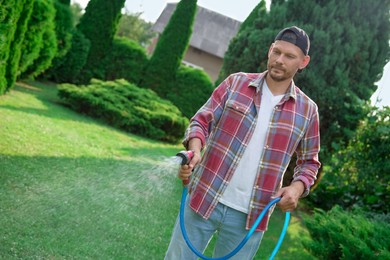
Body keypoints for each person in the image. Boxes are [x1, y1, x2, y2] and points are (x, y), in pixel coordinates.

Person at [165, 26, 321, 259]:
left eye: (289, 56)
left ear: (303, 62)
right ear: (270, 50)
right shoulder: (235, 83)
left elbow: (309, 163)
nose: (279, 60)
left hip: (252, 215)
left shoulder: (308, 111)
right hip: (204, 196)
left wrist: (296, 189)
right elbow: (201, 121)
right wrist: (195, 150)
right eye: (276, 52)